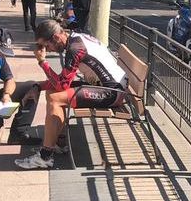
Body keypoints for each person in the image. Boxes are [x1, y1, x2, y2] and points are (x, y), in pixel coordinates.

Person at [14, 20, 131, 170]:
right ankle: (59, 143)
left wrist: (42, 62)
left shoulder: (75, 49)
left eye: (46, 45)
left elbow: (62, 85)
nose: (47, 50)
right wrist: (38, 86)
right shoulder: (76, 38)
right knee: (52, 93)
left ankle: (45, 156)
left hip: (113, 92)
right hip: (106, 86)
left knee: (56, 99)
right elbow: (62, 81)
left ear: (56, 37)